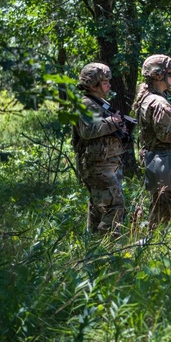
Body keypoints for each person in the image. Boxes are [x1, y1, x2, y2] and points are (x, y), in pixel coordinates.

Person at [72, 62, 128, 235]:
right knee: (114, 205)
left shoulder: (99, 102)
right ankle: (109, 245)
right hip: (97, 164)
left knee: (99, 206)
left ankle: (94, 244)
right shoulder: (86, 104)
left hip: (106, 162)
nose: (109, 85)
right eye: (105, 82)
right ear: (93, 85)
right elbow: (88, 131)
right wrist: (112, 123)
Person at [131, 54, 171, 229]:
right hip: (165, 159)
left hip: (156, 158)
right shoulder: (159, 102)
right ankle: (158, 242)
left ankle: (155, 239)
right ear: (159, 75)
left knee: (161, 204)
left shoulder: (148, 97)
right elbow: (167, 135)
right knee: (166, 205)